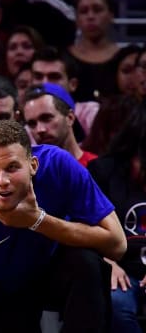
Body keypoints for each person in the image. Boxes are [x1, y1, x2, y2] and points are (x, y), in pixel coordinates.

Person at [0, 120, 126, 333]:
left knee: (87, 264)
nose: (2, 181)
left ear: (33, 165)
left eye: (12, 168)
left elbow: (118, 245)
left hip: (53, 269)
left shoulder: (58, 165)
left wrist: (37, 220)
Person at [88, 103, 146, 333]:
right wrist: (106, 263)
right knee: (116, 305)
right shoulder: (103, 171)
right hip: (121, 267)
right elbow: (83, 228)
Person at [64, 0, 122, 102]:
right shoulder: (64, 58)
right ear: (77, 19)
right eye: (84, 11)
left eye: (97, 10)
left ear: (111, 15)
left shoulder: (124, 59)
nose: (90, 16)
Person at [30, 46, 100, 138]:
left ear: (73, 84)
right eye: (38, 77)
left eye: (54, 77)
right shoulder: (28, 126)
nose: (45, 83)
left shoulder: (90, 112)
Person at [22, 84, 96, 167]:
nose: (40, 130)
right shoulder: (31, 173)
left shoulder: (97, 168)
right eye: (32, 124)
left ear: (70, 118)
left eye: (46, 118)